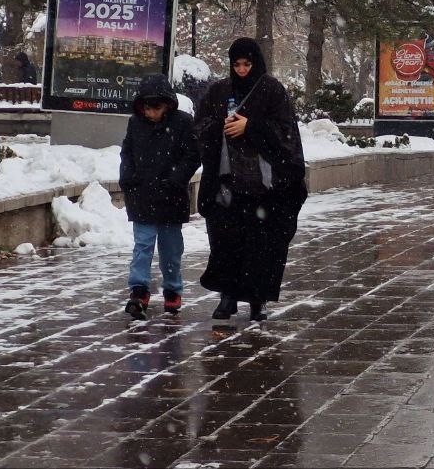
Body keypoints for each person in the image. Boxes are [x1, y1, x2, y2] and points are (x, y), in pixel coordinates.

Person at [196, 38, 308, 321]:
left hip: (264, 188)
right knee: (225, 244)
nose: (243, 70)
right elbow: (201, 126)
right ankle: (228, 297)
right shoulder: (220, 91)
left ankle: (257, 300)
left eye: (247, 64)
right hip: (227, 184)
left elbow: (286, 132)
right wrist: (219, 128)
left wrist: (252, 126)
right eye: (237, 65)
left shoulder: (271, 90)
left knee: (262, 248)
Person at [119, 73, 201, 320]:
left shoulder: (183, 123)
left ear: (167, 104)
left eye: (156, 106)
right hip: (142, 194)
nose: (151, 112)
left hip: (170, 196)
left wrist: (175, 180)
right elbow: (127, 153)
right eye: (146, 107)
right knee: (142, 245)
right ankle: (139, 290)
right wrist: (129, 179)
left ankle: (173, 290)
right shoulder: (136, 124)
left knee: (170, 248)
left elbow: (192, 156)